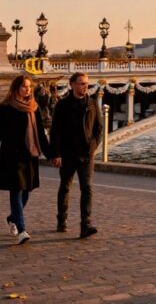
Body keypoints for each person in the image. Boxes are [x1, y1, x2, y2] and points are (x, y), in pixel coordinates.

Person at [0, 75, 51, 244]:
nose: (27, 90)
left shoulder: (34, 108)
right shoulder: (6, 107)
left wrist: (51, 154)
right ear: (15, 89)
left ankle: (12, 217)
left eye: (29, 87)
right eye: (24, 87)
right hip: (12, 155)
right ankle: (22, 230)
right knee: (16, 191)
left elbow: (41, 135)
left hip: (29, 155)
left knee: (27, 192)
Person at [50, 72, 102, 239]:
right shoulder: (63, 105)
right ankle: (62, 220)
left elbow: (99, 129)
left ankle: (85, 224)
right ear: (72, 85)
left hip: (86, 154)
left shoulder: (92, 104)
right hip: (67, 154)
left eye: (86, 83)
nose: (85, 86)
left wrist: (92, 146)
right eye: (81, 83)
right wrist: (56, 153)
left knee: (87, 188)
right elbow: (55, 131)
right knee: (65, 187)